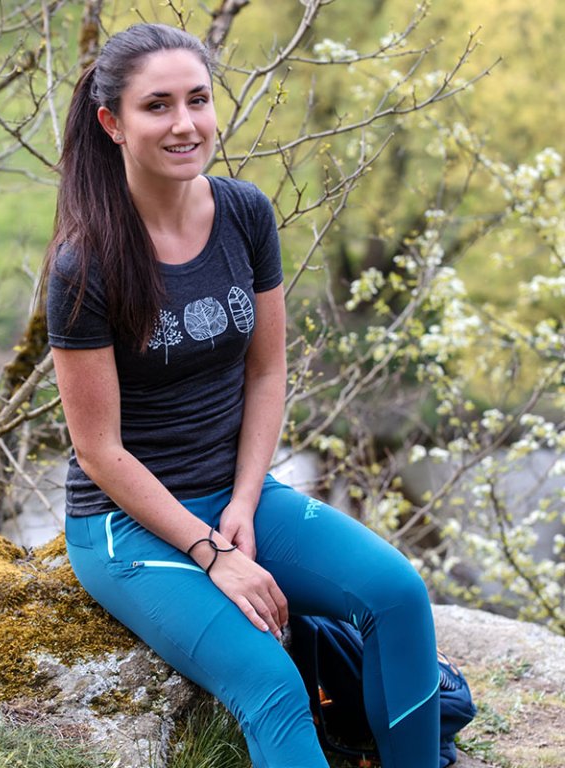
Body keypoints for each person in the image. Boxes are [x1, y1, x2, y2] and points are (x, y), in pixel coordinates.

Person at [43, 22, 439, 768]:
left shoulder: (245, 213)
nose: (185, 123)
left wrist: (246, 501)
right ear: (112, 124)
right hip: (128, 527)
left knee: (397, 593)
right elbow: (99, 451)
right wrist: (213, 552)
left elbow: (265, 370)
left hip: (236, 496)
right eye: (157, 106)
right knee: (273, 682)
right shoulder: (86, 265)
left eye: (198, 99)